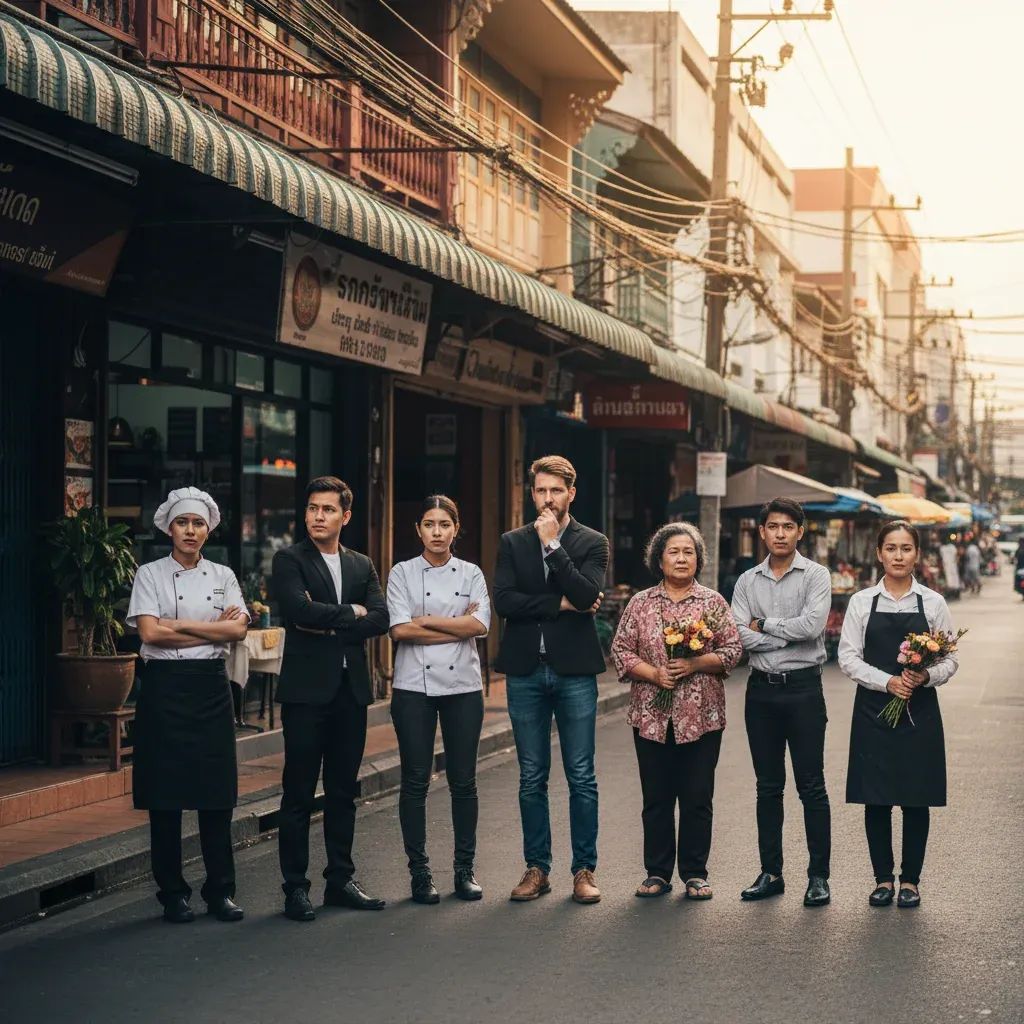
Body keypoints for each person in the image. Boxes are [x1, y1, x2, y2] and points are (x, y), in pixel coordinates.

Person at [126, 487, 248, 923]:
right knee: (166, 796)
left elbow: (237, 634)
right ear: (169, 528)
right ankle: (173, 893)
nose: (190, 531)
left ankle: (221, 892)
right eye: (183, 523)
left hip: (210, 688)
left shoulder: (224, 575)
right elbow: (150, 635)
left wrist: (176, 623)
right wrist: (209, 627)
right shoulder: (150, 574)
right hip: (163, 687)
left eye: (198, 523)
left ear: (209, 529)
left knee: (217, 794)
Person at [272, 476, 389, 922]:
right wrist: (349, 613)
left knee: (343, 792)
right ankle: (295, 888)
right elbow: (297, 611)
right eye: (312, 509)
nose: (318, 516)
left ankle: (340, 880)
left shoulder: (361, 564)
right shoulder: (290, 559)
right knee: (298, 793)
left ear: (346, 516)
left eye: (327, 509)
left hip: (350, 692)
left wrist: (331, 622)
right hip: (305, 693)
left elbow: (379, 617)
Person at [494, 455, 609, 905]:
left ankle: (584, 870)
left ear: (570, 494)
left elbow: (586, 593)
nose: (547, 498)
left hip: (575, 671)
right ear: (532, 492)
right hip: (524, 670)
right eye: (540, 490)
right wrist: (558, 605)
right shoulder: (511, 542)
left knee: (581, 775)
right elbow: (504, 601)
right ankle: (537, 868)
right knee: (531, 776)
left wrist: (553, 548)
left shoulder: (592, 542)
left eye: (555, 491)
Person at [611, 523, 742, 900]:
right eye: (674, 551)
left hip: (702, 718)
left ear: (698, 558)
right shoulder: (641, 603)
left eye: (688, 552)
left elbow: (733, 651)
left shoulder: (713, 603)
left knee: (697, 795)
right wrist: (654, 672)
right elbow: (621, 651)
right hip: (651, 715)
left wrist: (696, 664)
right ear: (659, 558)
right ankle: (657, 872)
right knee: (657, 796)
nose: (681, 558)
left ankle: (695, 873)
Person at [838, 520, 959, 908]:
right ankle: (882, 879)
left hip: (919, 710)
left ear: (917, 554)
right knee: (876, 797)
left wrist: (925, 675)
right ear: (879, 553)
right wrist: (887, 682)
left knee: (915, 796)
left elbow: (951, 661)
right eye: (891, 548)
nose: (898, 556)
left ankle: (910, 880)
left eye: (906, 548)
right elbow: (847, 659)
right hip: (874, 709)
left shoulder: (933, 603)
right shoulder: (861, 602)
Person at [386, 496, 490, 904]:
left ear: (455, 528)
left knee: (464, 781)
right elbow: (399, 631)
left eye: (444, 524)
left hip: (464, 687)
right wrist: (455, 626)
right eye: (429, 523)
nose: (436, 531)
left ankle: (464, 870)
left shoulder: (471, 573)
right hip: (413, 687)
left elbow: (480, 624)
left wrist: (425, 620)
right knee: (415, 780)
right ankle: (420, 872)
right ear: (418, 530)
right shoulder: (402, 573)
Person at [730, 497, 833, 907]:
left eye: (788, 526)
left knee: (812, 786)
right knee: (768, 787)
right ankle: (771, 872)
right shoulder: (746, 581)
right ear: (762, 532)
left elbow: (813, 626)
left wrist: (766, 626)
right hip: (762, 693)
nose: (780, 533)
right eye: (772, 526)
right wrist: (781, 634)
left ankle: (819, 877)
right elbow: (739, 634)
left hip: (805, 690)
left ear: (800, 531)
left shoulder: (816, 575)